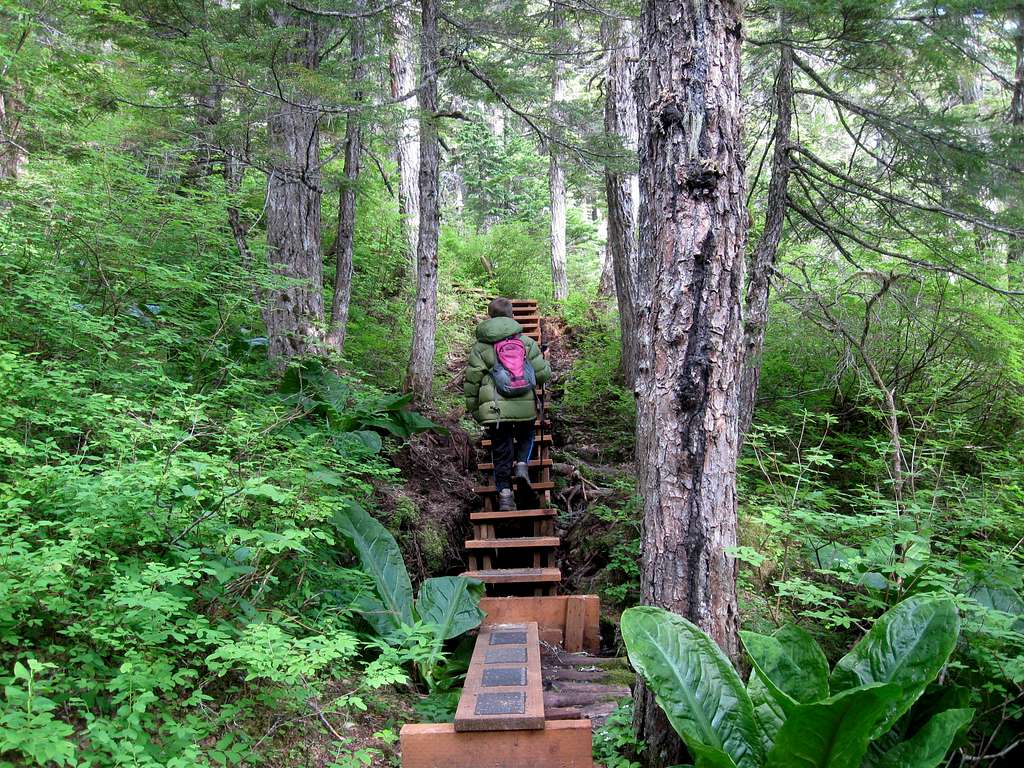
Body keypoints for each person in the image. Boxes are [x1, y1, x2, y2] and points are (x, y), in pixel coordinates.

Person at [464, 298, 552, 511]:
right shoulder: (526, 342)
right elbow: (542, 375)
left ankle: (505, 495)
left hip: (495, 409)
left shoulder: (481, 346)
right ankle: (522, 465)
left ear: (490, 316)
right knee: (527, 434)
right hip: (524, 405)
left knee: (501, 449)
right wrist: (544, 359)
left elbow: (472, 380)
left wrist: (474, 408)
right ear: (512, 316)